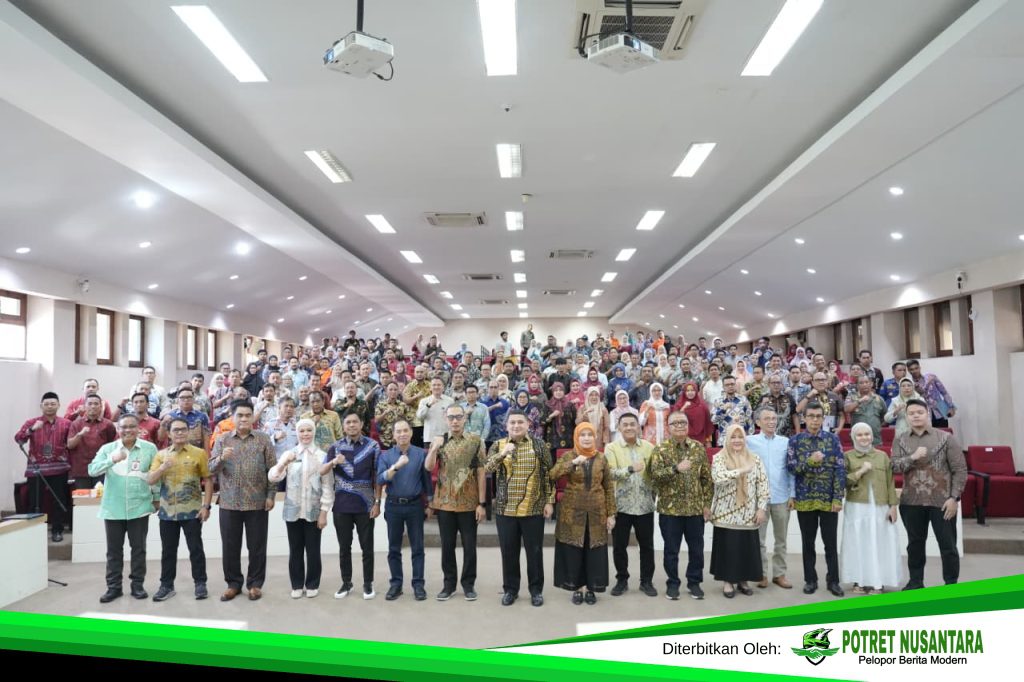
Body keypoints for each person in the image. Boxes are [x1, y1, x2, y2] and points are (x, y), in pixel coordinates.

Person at [891, 399, 966, 589]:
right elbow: (894, 466)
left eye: (920, 412)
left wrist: (954, 498)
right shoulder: (900, 439)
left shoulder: (946, 438)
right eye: (911, 413)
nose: (916, 416)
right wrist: (912, 457)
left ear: (927, 414)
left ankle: (951, 584)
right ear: (906, 417)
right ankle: (916, 582)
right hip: (911, 501)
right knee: (914, 545)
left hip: (942, 501)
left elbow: (959, 470)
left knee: (948, 546)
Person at [484, 410, 555, 607]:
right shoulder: (498, 445)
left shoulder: (539, 445)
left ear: (528, 425)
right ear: (506, 426)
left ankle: (536, 590)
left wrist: (549, 501)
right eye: (512, 423)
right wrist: (502, 454)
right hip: (505, 510)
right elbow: (487, 468)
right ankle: (510, 590)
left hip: (533, 508)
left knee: (535, 552)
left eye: (520, 422)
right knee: (509, 552)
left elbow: (548, 474)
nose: (516, 426)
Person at [209, 400, 277, 602]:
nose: (244, 419)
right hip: (229, 502)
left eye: (248, 415)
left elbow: (273, 471)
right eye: (240, 415)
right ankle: (233, 584)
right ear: (233, 417)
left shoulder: (263, 439)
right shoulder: (222, 439)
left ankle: (255, 584)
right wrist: (221, 458)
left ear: (253, 417)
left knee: (257, 546)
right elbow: (210, 469)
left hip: (257, 502)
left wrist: (271, 495)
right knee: (230, 546)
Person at [88, 413, 159, 602]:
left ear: (139, 429)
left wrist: (156, 498)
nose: (128, 430)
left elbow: (155, 476)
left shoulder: (149, 448)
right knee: (114, 551)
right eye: (123, 427)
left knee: (139, 549)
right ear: (118, 429)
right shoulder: (108, 449)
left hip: (140, 506)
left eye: (131, 426)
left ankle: (137, 585)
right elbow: (92, 470)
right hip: (113, 508)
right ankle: (114, 587)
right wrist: (112, 459)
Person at [425, 404, 487, 601]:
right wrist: (434, 448)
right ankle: (449, 585)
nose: (455, 421)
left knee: (470, 546)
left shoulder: (476, 441)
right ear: (445, 419)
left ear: (464, 418)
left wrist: (482, 503)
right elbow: (429, 467)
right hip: (444, 504)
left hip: (469, 504)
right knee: (447, 546)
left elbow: (481, 473)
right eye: (451, 417)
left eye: (458, 417)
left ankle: (468, 584)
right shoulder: (440, 440)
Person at [548, 423, 616, 605]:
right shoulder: (569, 456)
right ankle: (577, 588)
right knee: (574, 550)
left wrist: (611, 514)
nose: (586, 438)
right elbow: (552, 475)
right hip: (572, 511)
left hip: (597, 512)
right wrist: (573, 463)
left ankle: (591, 588)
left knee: (594, 550)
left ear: (595, 437)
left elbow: (609, 487)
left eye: (589, 434)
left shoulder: (601, 458)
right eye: (582, 435)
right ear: (576, 437)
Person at [147, 417, 213, 601]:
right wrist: (163, 467)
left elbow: (208, 480)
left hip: (192, 511)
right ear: (169, 434)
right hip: (167, 513)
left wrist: (206, 506)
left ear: (188, 432)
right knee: (168, 551)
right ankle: (166, 585)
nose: (180, 433)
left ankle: (200, 583)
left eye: (184, 429)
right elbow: (150, 479)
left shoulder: (199, 453)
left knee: (196, 549)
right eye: (176, 430)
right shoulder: (161, 455)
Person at [268, 418, 335, 599]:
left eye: (309, 430)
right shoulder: (289, 454)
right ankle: (297, 584)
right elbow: (273, 477)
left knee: (313, 550)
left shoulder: (322, 456)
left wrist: (324, 512)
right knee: (295, 550)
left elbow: (327, 486)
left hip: (314, 511)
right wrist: (283, 463)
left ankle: (312, 583)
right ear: (297, 433)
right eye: (302, 431)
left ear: (314, 432)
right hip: (293, 511)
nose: (305, 434)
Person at [650, 412, 713, 600]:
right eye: (675, 423)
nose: (679, 426)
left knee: (697, 550)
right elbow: (655, 477)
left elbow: (706, 479)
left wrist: (707, 504)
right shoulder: (660, 449)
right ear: (668, 427)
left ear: (688, 425)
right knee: (671, 551)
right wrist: (675, 469)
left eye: (683, 422)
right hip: (670, 511)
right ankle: (672, 583)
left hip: (695, 509)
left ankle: (694, 583)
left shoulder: (698, 448)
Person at [786, 402, 846, 597]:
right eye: (811, 416)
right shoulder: (795, 441)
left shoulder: (832, 439)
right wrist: (810, 461)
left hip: (828, 500)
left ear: (823, 418)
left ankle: (833, 581)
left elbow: (840, 469)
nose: (814, 420)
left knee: (830, 543)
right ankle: (810, 580)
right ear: (804, 418)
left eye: (818, 416)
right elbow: (792, 468)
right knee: (808, 543)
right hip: (805, 499)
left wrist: (837, 497)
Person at [322, 413, 381, 600]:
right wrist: (334, 462)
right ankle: (346, 583)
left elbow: (377, 476)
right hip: (342, 506)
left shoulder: (373, 446)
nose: (352, 425)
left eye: (355, 421)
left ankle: (368, 583)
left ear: (362, 424)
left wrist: (377, 502)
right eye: (348, 422)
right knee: (344, 548)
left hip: (366, 506)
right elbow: (322, 471)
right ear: (343, 425)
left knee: (367, 548)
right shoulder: (335, 447)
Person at [709, 424, 769, 598]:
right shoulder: (719, 458)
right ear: (727, 439)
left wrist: (761, 508)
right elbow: (718, 478)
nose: (737, 440)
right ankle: (728, 582)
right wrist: (740, 471)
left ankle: (743, 581)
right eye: (733, 437)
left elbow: (763, 484)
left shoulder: (755, 459)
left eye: (740, 437)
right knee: (728, 549)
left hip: (749, 514)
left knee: (746, 549)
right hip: (725, 514)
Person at [841, 422, 901, 595]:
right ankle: (859, 580)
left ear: (872, 436)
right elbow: (842, 481)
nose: (864, 438)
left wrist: (893, 506)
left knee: (879, 543)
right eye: (859, 435)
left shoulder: (882, 456)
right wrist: (860, 471)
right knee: (858, 543)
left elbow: (890, 482)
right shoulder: (848, 456)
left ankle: (877, 582)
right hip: (857, 506)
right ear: (853, 437)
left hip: (880, 507)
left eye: (867, 434)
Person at [376, 420, 431, 601]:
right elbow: (380, 479)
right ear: (393, 435)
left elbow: (426, 480)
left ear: (411, 433)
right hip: (393, 506)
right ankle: (396, 584)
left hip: (415, 505)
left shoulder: (421, 454)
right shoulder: (386, 456)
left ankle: (418, 585)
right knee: (394, 548)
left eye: (405, 430)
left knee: (418, 548)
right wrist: (396, 466)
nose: (402, 434)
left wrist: (430, 503)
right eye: (398, 431)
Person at [604, 413, 657, 597]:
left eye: (632, 424)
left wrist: (654, 494)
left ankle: (646, 581)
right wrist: (630, 469)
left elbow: (655, 474)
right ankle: (622, 580)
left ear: (638, 427)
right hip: (621, 506)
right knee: (619, 546)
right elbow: (610, 473)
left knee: (647, 546)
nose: (628, 427)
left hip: (644, 505)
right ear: (619, 428)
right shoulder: (611, 448)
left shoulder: (649, 447)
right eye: (625, 424)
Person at [746, 408, 794, 589]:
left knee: (781, 540)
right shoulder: (749, 441)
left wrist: (792, 494)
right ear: (758, 422)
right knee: (759, 540)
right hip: (759, 500)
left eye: (774, 418)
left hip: (781, 497)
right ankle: (761, 574)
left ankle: (779, 574)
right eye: (767, 419)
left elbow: (790, 469)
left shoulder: (785, 442)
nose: (772, 422)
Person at [15, 391, 72, 542]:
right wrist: (32, 430)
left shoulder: (66, 423)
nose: (50, 406)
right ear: (41, 406)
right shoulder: (31, 422)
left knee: (58, 501)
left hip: (59, 469)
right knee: (35, 502)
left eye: (53, 404)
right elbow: (18, 439)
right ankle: (34, 532)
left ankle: (57, 530)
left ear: (58, 405)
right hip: (36, 470)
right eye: (46, 404)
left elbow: (72, 444)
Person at [67, 394, 117, 490]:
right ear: (85, 406)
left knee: (100, 497)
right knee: (83, 498)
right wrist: (80, 434)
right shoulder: (76, 424)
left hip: (101, 468)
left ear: (101, 407)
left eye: (96, 404)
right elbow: (70, 445)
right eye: (90, 404)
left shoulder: (108, 424)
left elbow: (112, 446)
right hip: (81, 470)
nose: (93, 406)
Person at [907, 360, 957, 427]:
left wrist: (951, 406)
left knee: (943, 431)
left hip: (940, 410)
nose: (915, 371)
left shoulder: (931, 377)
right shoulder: (909, 384)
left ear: (920, 367)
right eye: (912, 369)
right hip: (923, 413)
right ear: (908, 370)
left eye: (916, 368)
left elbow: (944, 392)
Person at [844, 376, 887, 444]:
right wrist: (859, 401)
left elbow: (885, 417)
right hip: (858, 438)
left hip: (875, 438)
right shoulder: (852, 397)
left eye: (866, 382)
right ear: (857, 385)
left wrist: (876, 425)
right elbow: (846, 409)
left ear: (871, 384)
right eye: (861, 383)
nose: (864, 385)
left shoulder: (879, 399)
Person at [711, 376, 753, 442]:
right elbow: (714, 420)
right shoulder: (718, 401)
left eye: (732, 384)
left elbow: (749, 420)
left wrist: (749, 437)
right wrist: (723, 410)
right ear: (723, 387)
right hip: (724, 439)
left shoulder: (743, 400)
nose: (730, 386)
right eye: (727, 385)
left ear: (735, 385)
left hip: (740, 439)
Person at [671, 381, 713, 446]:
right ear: (684, 392)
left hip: (701, 439)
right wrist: (684, 407)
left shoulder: (702, 405)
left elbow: (707, 424)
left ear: (696, 391)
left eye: (692, 390)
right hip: (684, 438)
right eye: (687, 391)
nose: (690, 392)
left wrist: (708, 442)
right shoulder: (679, 405)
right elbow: (675, 419)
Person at [542, 382, 576, 452]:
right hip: (552, 440)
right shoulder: (547, 405)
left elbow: (575, 421)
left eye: (560, 390)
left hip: (567, 439)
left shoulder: (570, 405)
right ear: (553, 392)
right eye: (556, 390)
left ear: (564, 391)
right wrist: (551, 416)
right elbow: (542, 421)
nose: (558, 392)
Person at [576, 386, 611, 451]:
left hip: (599, 442)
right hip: (585, 441)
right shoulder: (582, 408)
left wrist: (606, 442)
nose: (594, 397)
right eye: (591, 395)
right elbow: (577, 423)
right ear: (587, 396)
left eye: (596, 395)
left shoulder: (603, 409)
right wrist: (584, 414)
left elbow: (606, 427)